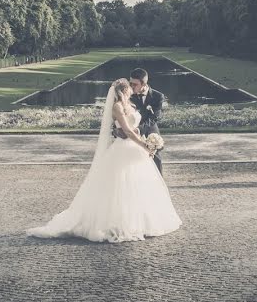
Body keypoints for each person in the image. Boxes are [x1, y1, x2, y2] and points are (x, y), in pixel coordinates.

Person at [27, 78, 181, 243]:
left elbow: (135, 128)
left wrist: (145, 144)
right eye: (129, 88)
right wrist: (145, 145)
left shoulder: (131, 105)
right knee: (121, 186)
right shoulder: (117, 107)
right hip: (123, 148)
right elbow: (127, 131)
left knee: (139, 184)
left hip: (134, 149)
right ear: (123, 91)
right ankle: (119, 222)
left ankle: (140, 220)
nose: (131, 90)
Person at [124, 68, 166, 175]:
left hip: (150, 131)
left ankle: (158, 186)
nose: (131, 86)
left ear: (144, 84)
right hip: (132, 132)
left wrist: (139, 130)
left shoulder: (158, 96)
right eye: (130, 83)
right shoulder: (127, 95)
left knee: (156, 159)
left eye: (135, 84)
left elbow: (154, 118)